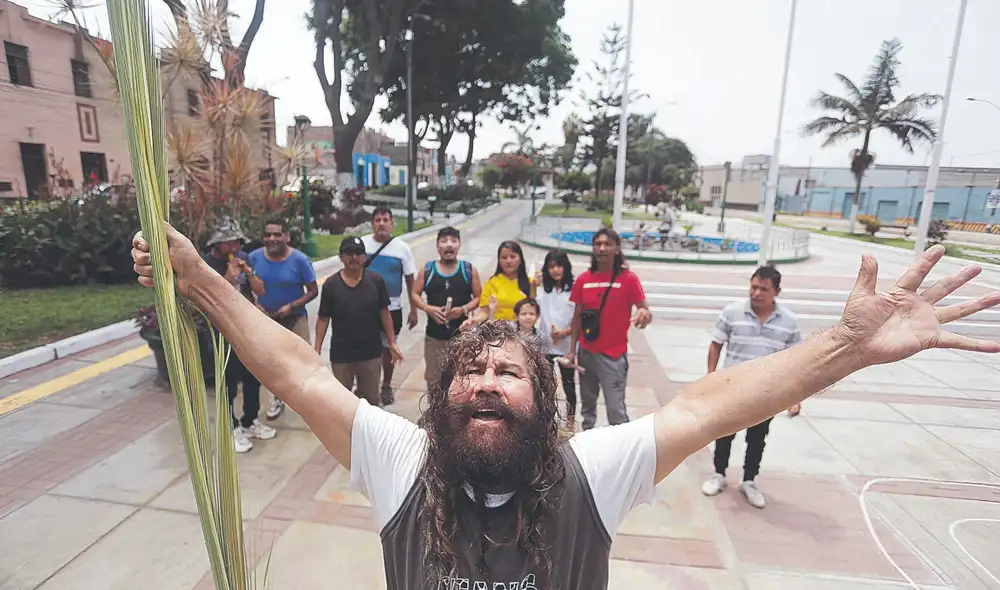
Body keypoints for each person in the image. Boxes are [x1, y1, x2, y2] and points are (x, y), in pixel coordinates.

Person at [132, 227, 1000, 589]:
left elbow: (714, 403)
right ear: (439, 401)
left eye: (510, 373)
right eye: (469, 372)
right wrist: (199, 279)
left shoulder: (589, 472)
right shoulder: (401, 462)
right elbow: (297, 373)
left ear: (545, 404)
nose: (485, 383)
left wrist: (845, 347)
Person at [701, 265, 801, 509]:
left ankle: (749, 481)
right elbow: (716, 344)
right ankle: (719, 475)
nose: (756, 293)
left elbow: (796, 361)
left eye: (763, 289)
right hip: (731, 389)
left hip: (766, 394)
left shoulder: (788, 323)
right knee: (724, 434)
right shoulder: (732, 312)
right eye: (753, 287)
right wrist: (710, 378)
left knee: (757, 439)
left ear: (776, 291)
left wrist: (794, 397)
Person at [565, 229, 652, 430]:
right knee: (587, 408)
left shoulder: (628, 279)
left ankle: (622, 452)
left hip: (613, 356)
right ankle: (589, 446)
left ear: (617, 248)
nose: (602, 248)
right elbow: (577, 318)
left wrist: (644, 315)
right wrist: (572, 350)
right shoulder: (583, 280)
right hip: (586, 353)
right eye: (598, 244)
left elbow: (644, 309)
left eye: (608, 244)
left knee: (616, 411)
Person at [201, 218, 275, 453]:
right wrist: (230, 276)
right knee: (228, 381)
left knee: (253, 376)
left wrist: (249, 272)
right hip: (222, 331)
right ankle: (231, 427)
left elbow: (260, 290)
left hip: (246, 328)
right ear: (218, 244)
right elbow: (210, 296)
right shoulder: (207, 264)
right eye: (229, 244)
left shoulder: (245, 257)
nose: (234, 248)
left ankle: (250, 419)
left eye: (236, 243)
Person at [315, 237, 403, 407]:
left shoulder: (376, 281)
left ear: (364, 256)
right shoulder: (331, 285)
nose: (354, 258)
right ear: (341, 257)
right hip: (341, 354)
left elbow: (384, 312)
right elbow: (323, 318)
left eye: (358, 253)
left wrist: (391, 341)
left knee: (371, 400)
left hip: (370, 352)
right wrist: (317, 350)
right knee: (342, 401)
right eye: (349, 253)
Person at [248, 218, 318, 419]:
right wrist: (256, 305)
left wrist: (292, 306)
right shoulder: (253, 258)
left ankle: (308, 399)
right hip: (265, 320)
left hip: (295, 318)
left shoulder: (300, 260)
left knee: (303, 361)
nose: (272, 238)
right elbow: (245, 286)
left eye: (277, 234)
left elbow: (313, 291)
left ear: (287, 236)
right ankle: (278, 399)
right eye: (268, 234)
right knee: (273, 363)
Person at [410, 227, 482, 392]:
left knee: (462, 378)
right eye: (443, 241)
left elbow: (478, 297)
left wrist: (462, 309)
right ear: (437, 246)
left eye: (453, 241)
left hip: (462, 338)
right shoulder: (427, 270)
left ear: (459, 245)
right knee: (434, 379)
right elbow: (414, 293)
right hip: (434, 337)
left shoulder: (469, 270)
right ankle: (436, 415)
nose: (449, 245)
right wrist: (428, 308)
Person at [362, 207, 418, 406]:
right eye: (377, 220)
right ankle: (366, 386)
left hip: (393, 309)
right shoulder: (363, 244)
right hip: (365, 310)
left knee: (389, 349)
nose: (382, 223)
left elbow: (411, 281)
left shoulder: (402, 248)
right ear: (372, 223)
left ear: (392, 223)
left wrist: (414, 309)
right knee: (367, 349)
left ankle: (386, 385)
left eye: (385, 219)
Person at [536, 249, 577, 430]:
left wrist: (566, 332)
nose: (556, 270)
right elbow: (532, 305)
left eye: (559, 266)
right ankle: (547, 418)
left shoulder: (574, 289)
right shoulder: (544, 288)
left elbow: (578, 317)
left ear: (566, 267)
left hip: (566, 345)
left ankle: (570, 418)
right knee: (546, 384)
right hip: (545, 345)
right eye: (551, 266)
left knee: (568, 384)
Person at [476, 240, 535, 322]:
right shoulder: (491, 283)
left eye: (513, 257)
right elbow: (485, 312)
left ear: (520, 259)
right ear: (499, 261)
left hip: (521, 332)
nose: (508, 261)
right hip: (497, 331)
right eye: (504, 257)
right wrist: (474, 321)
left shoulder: (530, 283)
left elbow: (534, 311)